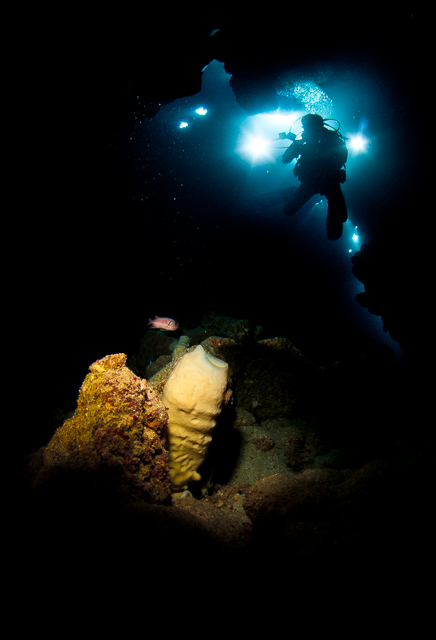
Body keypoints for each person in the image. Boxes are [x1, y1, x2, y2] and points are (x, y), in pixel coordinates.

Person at [281, 113, 348, 240]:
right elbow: (285, 159)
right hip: (312, 182)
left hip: (328, 181)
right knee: (289, 210)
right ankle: (289, 192)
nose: (304, 129)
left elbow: (342, 158)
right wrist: (296, 144)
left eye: (305, 126)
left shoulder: (332, 139)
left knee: (342, 216)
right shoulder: (303, 143)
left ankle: (333, 235)